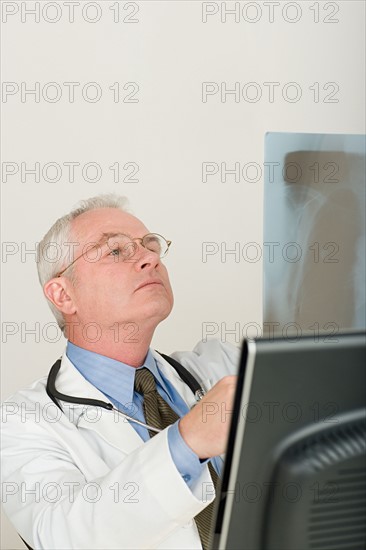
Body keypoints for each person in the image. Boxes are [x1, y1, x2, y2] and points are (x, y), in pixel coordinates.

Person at [1, 194, 239, 550]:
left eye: (151, 245)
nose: (149, 258)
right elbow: (62, 537)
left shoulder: (219, 366)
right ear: (63, 295)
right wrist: (188, 443)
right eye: (116, 250)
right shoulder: (22, 421)